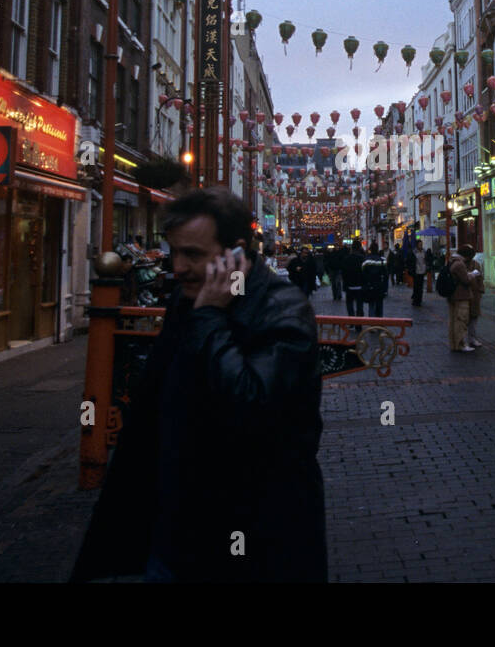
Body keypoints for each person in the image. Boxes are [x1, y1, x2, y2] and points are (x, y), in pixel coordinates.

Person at [71, 186, 326, 582]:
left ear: (236, 252)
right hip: (176, 525)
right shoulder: (188, 299)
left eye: (193, 254)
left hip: (253, 532)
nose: (179, 267)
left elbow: (252, 403)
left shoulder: (280, 307)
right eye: (174, 252)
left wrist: (209, 318)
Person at [447, 246, 476, 352]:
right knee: (461, 320)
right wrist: (473, 275)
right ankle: (461, 344)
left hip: (453, 296)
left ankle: (454, 344)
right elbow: (465, 280)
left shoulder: (452, 261)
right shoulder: (459, 264)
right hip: (461, 296)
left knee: (454, 320)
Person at [361, 244, 389, 317]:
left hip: (370, 285)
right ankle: (379, 323)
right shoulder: (382, 260)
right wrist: (385, 289)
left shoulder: (366, 260)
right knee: (379, 305)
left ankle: (372, 323)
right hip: (379, 285)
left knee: (371, 305)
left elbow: (363, 273)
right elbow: (386, 275)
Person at [464, 249, 484, 348]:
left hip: (475, 293)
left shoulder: (476, 264)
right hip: (464, 294)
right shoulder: (461, 264)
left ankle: (472, 338)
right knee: (464, 317)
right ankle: (464, 339)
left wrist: (480, 290)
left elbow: (480, 278)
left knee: (474, 317)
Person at [341, 240, 366, 317]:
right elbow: (365, 272)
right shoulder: (362, 258)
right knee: (359, 305)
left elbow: (344, 273)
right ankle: (359, 322)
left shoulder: (347, 259)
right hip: (360, 285)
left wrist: (345, 283)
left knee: (349, 304)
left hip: (349, 285)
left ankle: (351, 320)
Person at [410, 240, 427, 307]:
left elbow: (425, 260)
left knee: (421, 287)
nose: (421, 245)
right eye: (419, 244)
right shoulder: (414, 252)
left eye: (421, 244)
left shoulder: (424, 252)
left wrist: (426, 267)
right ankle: (415, 301)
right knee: (416, 287)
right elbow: (411, 262)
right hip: (416, 271)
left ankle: (419, 300)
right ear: (417, 245)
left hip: (422, 271)